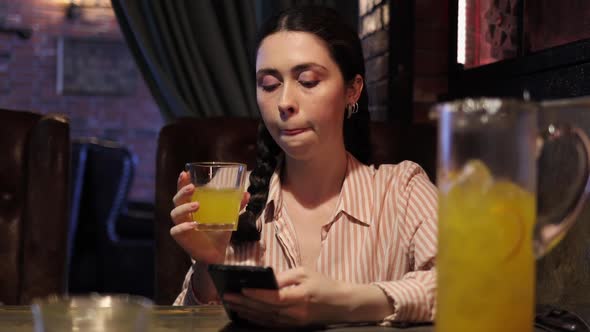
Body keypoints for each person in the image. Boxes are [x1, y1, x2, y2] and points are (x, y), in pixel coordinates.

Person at [169, 6, 437, 328]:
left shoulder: (401, 190)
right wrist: (207, 267)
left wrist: (348, 303)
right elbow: (184, 322)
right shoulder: (234, 203)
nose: (284, 102)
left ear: (352, 89)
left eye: (308, 80)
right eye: (268, 84)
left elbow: (464, 284)